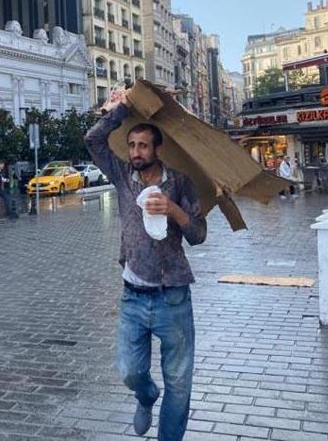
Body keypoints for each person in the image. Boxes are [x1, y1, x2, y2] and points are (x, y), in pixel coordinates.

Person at [85, 88, 206, 441]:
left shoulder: (180, 182)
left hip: (173, 298)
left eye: (143, 146)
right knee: (128, 370)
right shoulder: (122, 175)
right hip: (133, 296)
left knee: (179, 384)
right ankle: (146, 395)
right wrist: (122, 108)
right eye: (132, 146)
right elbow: (93, 140)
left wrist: (175, 210)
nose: (136, 152)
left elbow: (198, 234)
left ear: (157, 150)